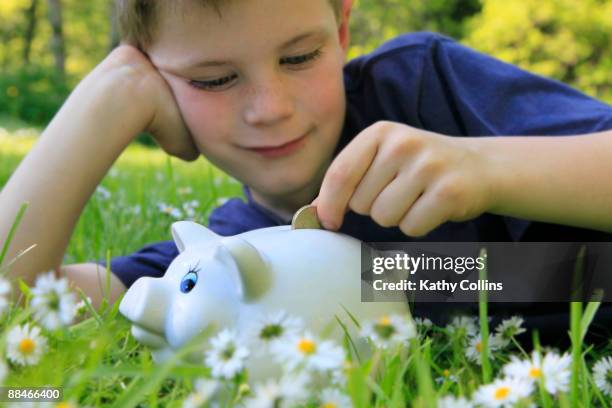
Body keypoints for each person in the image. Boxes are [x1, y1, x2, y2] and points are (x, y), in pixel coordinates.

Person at [1, 0, 611, 339]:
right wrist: (106, 101)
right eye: (213, 79)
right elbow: (16, 304)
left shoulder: (422, 88)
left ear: (342, 29)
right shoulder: (223, 257)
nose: (270, 109)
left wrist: (490, 167)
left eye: (300, 56)